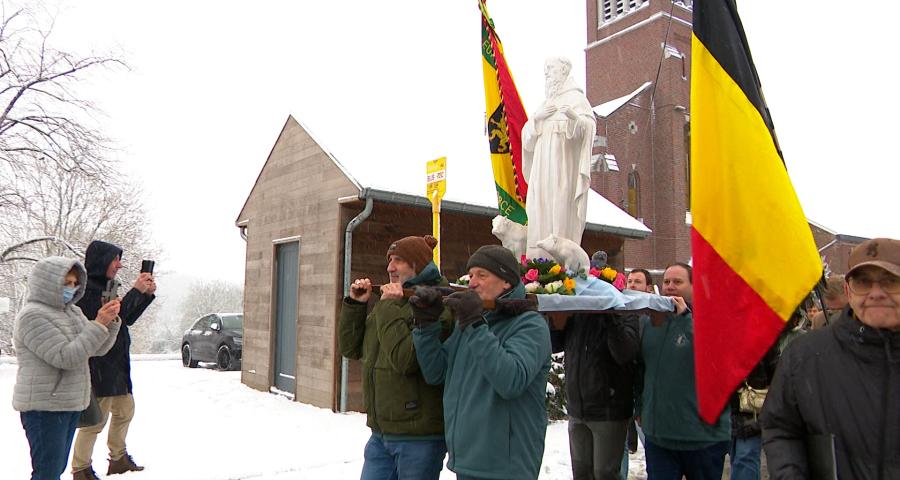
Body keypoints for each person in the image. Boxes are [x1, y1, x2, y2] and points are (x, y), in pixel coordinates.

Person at [761, 237, 900, 479]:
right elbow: (781, 428)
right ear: (848, 291)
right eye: (863, 282)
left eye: (890, 281)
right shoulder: (804, 357)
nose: (876, 293)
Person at [411, 245, 551, 479]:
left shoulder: (529, 324)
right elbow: (437, 373)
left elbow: (511, 381)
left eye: (482, 275)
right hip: (468, 460)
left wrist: (474, 324)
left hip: (506, 467)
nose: (472, 283)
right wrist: (426, 325)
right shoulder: (470, 323)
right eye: (471, 275)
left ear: (506, 282)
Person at [338, 235, 451, 480]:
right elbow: (351, 349)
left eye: (398, 260)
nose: (390, 267)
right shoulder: (391, 302)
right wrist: (356, 306)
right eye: (389, 261)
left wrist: (387, 307)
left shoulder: (436, 304)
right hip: (380, 434)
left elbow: (405, 360)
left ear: (418, 264)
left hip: (419, 437)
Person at [13, 257, 121, 480]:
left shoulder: (73, 312)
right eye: (66, 283)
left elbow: (96, 348)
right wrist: (98, 324)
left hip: (69, 403)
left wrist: (109, 323)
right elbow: (66, 357)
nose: (71, 288)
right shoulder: (32, 316)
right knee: (47, 472)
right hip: (44, 407)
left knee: (55, 469)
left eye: (74, 283)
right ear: (47, 282)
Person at [72, 241, 156, 480]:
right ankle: (81, 469)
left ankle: (118, 459)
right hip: (100, 364)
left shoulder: (108, 287)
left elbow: (124, 319)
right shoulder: (86, 290)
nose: (119, 265)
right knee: (95, 422)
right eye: (115, 259)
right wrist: (136, 291)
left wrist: (145, 295)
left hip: (117, 365)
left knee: (125, 411)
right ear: (101, 260)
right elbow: (107, 319)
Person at [639, 263, 730, 480]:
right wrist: (639, 407)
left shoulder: (713, 319)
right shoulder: (650, 323)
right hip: (659, 438)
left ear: (694, 287)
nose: (670, 286)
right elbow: (640, 369)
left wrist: (685, 319)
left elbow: (716, 358)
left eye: (678, 282)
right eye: (666, 282)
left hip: (703, 439)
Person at [551, 307, 639, 479]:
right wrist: (555, 320)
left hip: (609, 411)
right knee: (581, 473)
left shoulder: (624, 311)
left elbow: (624, 353)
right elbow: (554, 345)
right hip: (577, 410)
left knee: (605, 474)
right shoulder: (578, 310)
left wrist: (609, 315)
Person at [522, 56, 596, 259]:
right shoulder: (545, 104)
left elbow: (588, 129)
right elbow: (527, 139)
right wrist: (537, 119)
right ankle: (538, 260)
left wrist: (574, 118)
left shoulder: (576, 99)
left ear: (563, 71)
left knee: (560, 206)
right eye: (545, 71)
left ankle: (560, 259)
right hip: (541, 169)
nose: (547, 74)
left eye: (551, 69)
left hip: (562, 167)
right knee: (540, 208)